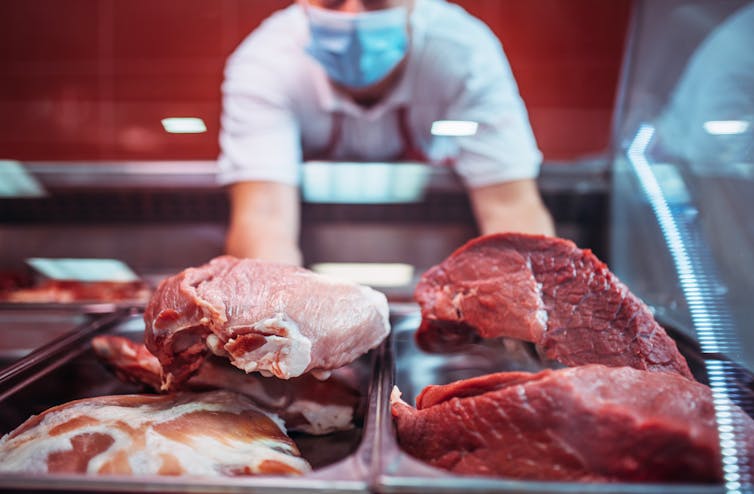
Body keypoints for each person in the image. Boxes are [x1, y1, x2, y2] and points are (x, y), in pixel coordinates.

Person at [218, 0, 555, 265]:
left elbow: (510, 207)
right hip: (312, 256)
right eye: (332, 2)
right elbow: (264, 220)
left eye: (376, 0)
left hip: (439, 256)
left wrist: (531, 313)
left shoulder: (464, 54)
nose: (353, 15)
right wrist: (274, 330)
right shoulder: (265, 61)